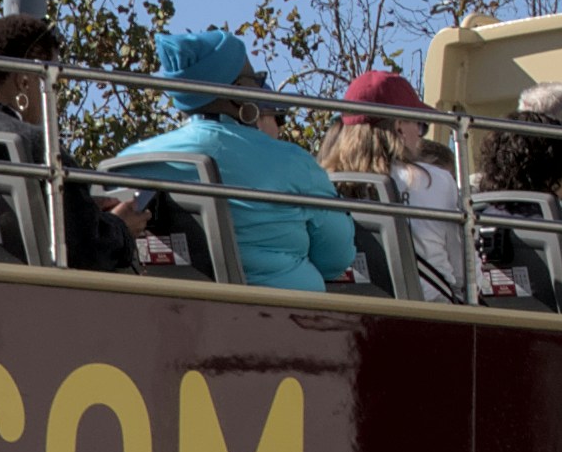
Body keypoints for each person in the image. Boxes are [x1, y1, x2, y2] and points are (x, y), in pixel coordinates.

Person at [104, 24, 346, 292]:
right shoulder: (293, 161)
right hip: (285, 310)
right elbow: (336, 259)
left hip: (167, 309)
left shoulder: (129, 161)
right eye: (255, 80)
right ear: (239, 91)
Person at [334, 66, 471, 298]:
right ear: (399, 127)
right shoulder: (434, 180)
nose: (420, 134)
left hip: (353, 305)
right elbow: (463, 273)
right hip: (429, 308)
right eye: (419, 124)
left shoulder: (329, 183)